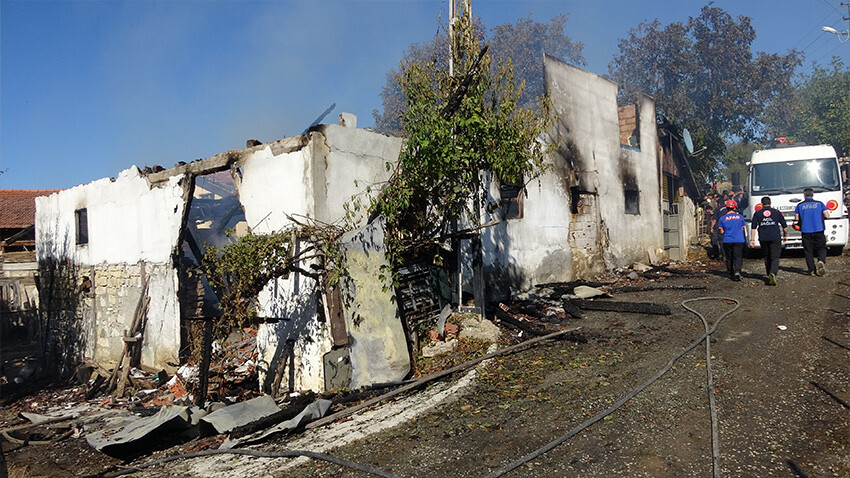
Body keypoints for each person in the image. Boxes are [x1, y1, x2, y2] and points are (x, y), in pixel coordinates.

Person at [750, 196, 787, 285]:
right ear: (770, 203)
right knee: (775, 256)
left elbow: (753, 227)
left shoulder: (757, 213)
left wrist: (752, 239)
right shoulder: (776, 212)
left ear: (761, 204)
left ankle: (768, 273)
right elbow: (784, 226)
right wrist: (785, 235)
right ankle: (773, 272)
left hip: (763, 238)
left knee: (766, 256)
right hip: (775, 237)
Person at [794, 188, 829, 276]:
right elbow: (827, 215)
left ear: (804, 195)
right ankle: (821, 260)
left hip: (806, 231)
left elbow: (796, 218)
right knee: (821, 247)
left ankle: (812, 269)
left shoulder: (800, 205)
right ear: (813, 195)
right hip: (819, 229)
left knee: (808, 251)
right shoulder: (819, 204)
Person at [718, 199, 747, 281]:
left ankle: (730, 272)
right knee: (738, 256)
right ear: (735, 208)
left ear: (726, 208)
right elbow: (743, 228)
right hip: (739, 240)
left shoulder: (722, 218)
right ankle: (737, 271)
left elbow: (721, 231)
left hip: (727, 240)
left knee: (729, 257)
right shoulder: (740, 217)